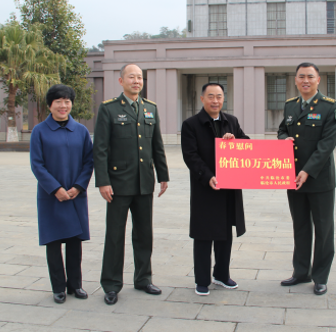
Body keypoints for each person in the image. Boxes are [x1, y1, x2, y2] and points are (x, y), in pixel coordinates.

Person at [93, 63, 170, 305]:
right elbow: (101, 149)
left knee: (144, 234)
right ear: (121, 81)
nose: (136, 81)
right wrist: (103, 182)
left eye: (140, 78)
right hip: (117, 184)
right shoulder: (109, 109)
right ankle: (112, 284)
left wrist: (163, 175)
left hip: (144, 183)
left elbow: (157, 145)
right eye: (131, 77)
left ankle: (143, 278)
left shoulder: (150, 108)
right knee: (115, 235)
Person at [277, 62, 336, 296]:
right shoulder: (290, 106)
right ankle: (301, 272)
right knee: (301, 226)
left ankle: (320, 276)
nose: (305, 80)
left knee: (323, 229)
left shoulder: (330, 107)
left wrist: (307, 170)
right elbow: (282, 130)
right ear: (295, 80)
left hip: (319, 180)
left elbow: (327, 145)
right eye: (301, 76)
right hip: (292, 177)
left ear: (318, 80)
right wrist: (283, 139)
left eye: (310, 76)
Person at [181, 83, 249, 296]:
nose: (215, 101)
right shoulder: (191, 124)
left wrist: (235, 141)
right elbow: (190, 156)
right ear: (202, 99)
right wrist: (208, 176)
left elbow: (247, 145)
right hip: (205, 188)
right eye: (210, 96)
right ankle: (202, 279)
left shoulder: (232, 121)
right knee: (203, 235)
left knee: (224, 233)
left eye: (219, 96)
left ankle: (221, 274)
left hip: (228, 188)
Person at [30, 84, 94, 304]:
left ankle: (75, 285)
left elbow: (89, 161)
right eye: (59, 101)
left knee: (75, 242)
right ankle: (58, 287)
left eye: (67, 101)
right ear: (50, 105)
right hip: (51, 197)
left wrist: (78, 186)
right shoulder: (39, 131)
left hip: (76, 194)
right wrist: (55, 189)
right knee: (54, 241)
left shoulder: (81, 131)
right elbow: (37, 165)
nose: (63, 105)